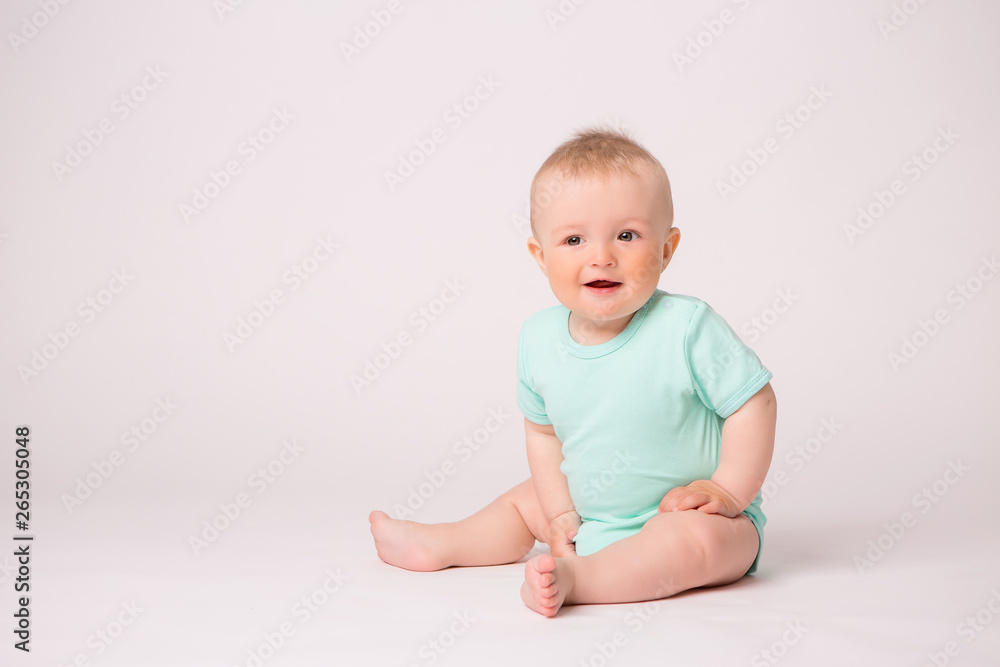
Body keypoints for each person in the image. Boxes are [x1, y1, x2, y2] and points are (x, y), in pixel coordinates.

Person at [369, 127, 777, 617]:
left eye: (627, 235)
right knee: (526, 502)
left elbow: (753, 402)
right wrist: (561, 510)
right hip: (591, 509)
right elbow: (542, 435)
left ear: (667, 250)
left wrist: (727, 490)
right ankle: (447, 543)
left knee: (692, 543)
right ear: (541, 257)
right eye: (573, 239)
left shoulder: (686, 327)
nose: (601, 256)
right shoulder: (538, 340)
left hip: (689, 513)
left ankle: (582, 578)